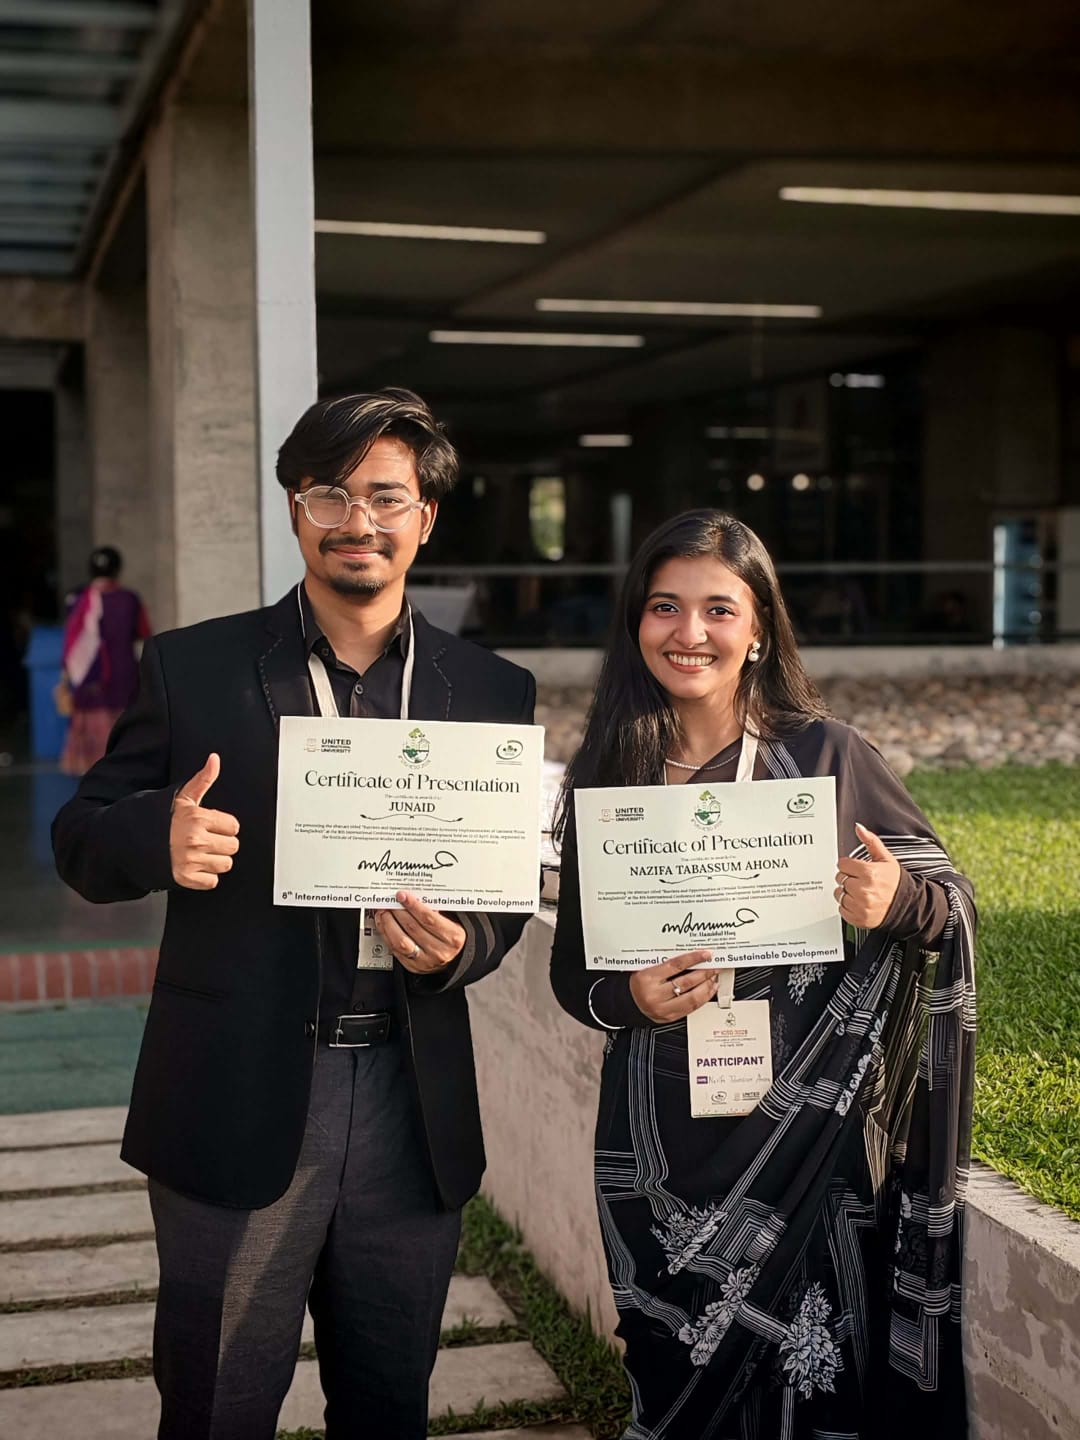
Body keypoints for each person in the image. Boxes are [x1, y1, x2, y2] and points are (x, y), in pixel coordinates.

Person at [52, 389, 536, 1440]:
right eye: (330, 494)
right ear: (294, 508)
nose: (358, 521)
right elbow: (80, 837)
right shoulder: (196, 667)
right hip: (235, 1091)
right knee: (216, 1406)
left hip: (410, 1106)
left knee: (389, 1405)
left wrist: (463, 947)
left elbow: (500, 897)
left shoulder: (491, 690)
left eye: (385, 497)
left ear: (424, 518)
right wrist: (156, 838)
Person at [550, 510, 975, 1439]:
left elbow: (949, 903)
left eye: (719, 609)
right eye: (665, 606)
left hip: (807, 1142)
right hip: (656, 1148)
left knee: (812, 1386)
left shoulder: (827, 757)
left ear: (759, 631)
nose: (689, 632)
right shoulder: (612, 776)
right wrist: (628, 996)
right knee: (671, 1375)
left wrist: (897, 900)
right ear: (636, 623)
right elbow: (573, 976)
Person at [59, 545, 151, 774]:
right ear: (118, 569)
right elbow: (144, 632)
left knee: (91, 763)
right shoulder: (129, 599)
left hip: (89, 685)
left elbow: (71, 645)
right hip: (123, 681)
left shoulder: (78, 600)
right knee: (122, 748)